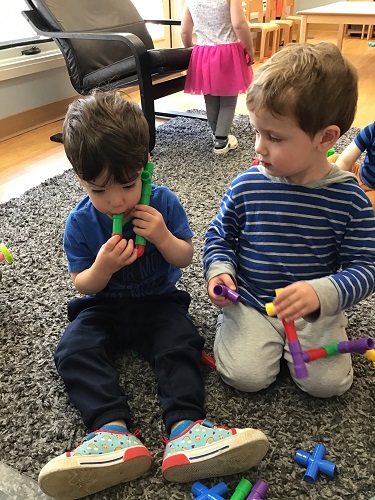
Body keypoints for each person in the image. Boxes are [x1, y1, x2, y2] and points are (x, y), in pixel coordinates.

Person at [38, 91, 269, 500]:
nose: (117, 201)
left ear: (146, 167)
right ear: (80, 179)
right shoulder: (78, 223)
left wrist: (162, 235)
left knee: (179, 341)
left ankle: (187, 429)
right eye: (99, 191)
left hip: (157, 302)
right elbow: (82, 283)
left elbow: (184, 256)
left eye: (127, 185)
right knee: (73, 349)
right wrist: (103, 267)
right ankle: (110, 432)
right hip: (102, 307)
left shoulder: (162, 203)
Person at [203, 42, 375, 398]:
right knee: (244, 377)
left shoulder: (350, 199)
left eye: (274, 137)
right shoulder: (247, 185)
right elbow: (220, 235)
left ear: (325, 138)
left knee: (328, 386)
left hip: (314, 312)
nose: (258, 147)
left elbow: (367, 267)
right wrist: (220, 270)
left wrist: (321, 293)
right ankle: (239, 328)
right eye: (256, 131)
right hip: (251, 300)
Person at [180, 0, 255, 154]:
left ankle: (217, 134)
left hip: (203, 53)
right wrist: (249, 48)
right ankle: (221, 141)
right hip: (227, 53)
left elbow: (185, 31)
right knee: (228, 100)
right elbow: (239, 24)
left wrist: (190, 48)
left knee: (211, 98)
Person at [328, 121, 375, 210]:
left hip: (373, 191)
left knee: (369, 206)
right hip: (358, 174)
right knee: (334, 159)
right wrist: (331, 182)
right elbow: (345, 161)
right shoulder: (372, 129)